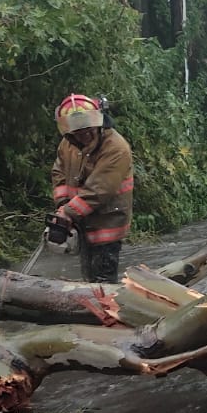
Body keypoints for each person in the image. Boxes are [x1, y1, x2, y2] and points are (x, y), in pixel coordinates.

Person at [50, 93, 135, 284]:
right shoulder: (68, 144)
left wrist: (68, 213)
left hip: (108, 223)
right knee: (89, 278)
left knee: (103, 281)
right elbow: (59, 172)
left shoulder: (115, 148)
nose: (84, 134)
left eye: (88, 128)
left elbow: (99, 190)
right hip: (82, 220)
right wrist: (62, 206)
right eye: (78, 131)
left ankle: (108, 309)